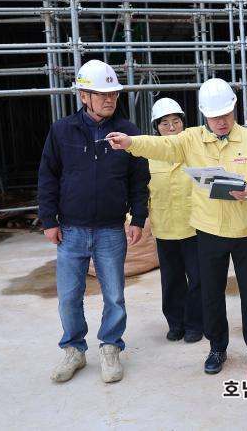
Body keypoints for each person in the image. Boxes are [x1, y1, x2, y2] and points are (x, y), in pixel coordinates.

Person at [106, 78, 247, 375]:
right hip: (209, 230)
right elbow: (162, 145)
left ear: (234, 109)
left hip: (246, 230)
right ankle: (217, 348)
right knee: (211, 292)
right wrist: (131, 142)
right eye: (214, 116)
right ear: (203, 114)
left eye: (226, 114)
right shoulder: (190, 140)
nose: (221, 122)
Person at [37, 59, 149, 384]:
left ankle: (111, 347)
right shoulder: (62, 131)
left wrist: (138, 217)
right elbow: (48, 176)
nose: (109, 99)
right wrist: (49, 220)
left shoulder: (127, 132)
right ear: (84, 96)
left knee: (114, 295)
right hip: (70, 229)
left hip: (111, 229)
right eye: (102, 94)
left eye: (112, 93)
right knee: (69, 297)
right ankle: (74, 349)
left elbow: (139, 179)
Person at [148, 97, 203, 343]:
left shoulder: (195, 151)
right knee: (171, 279)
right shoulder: (149, 155)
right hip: (165, 227)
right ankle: (176, 323)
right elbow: (140, 190)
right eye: (165, 123)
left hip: (194, 226)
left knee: (198, 278)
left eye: (176, 121)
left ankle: (195, 324)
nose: (171, 128)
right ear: (156, 127)